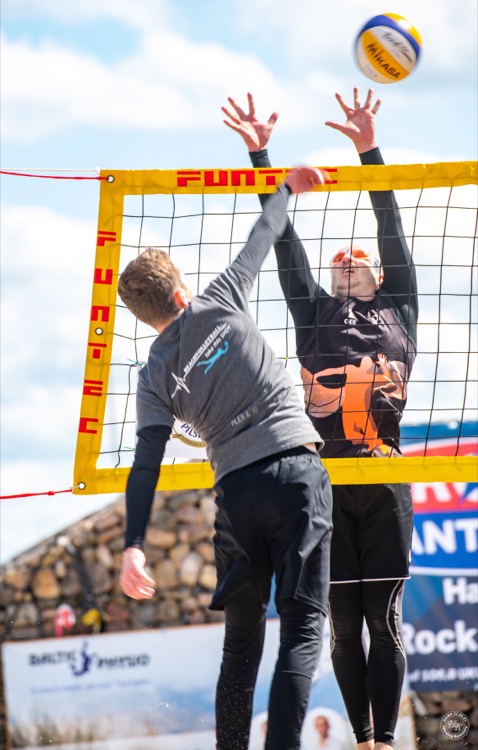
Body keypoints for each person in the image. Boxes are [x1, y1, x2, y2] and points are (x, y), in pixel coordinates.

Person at [222, 89, 417, 750]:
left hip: (384, 474)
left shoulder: (400, 305)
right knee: (341, 627)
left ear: (379, 273)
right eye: (339, 258)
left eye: (358, 255)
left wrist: (368, 149)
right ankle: (362, 738)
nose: (346, 257)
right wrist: (262, 157)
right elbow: (285, 245)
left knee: (382, 620)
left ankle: (382, 741)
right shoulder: (312, 313)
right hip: (322, 482)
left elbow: (390, 219)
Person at [118, 165, 334, 750]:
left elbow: (146, 464)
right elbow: (264, 232)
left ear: (145, 315)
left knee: (240, 643)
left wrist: (134, 544)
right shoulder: (220, 298)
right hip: (293, 470)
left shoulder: (152, 375)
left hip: (236, 494)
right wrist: (286, 186)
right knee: (303, 628)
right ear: (180, 291)